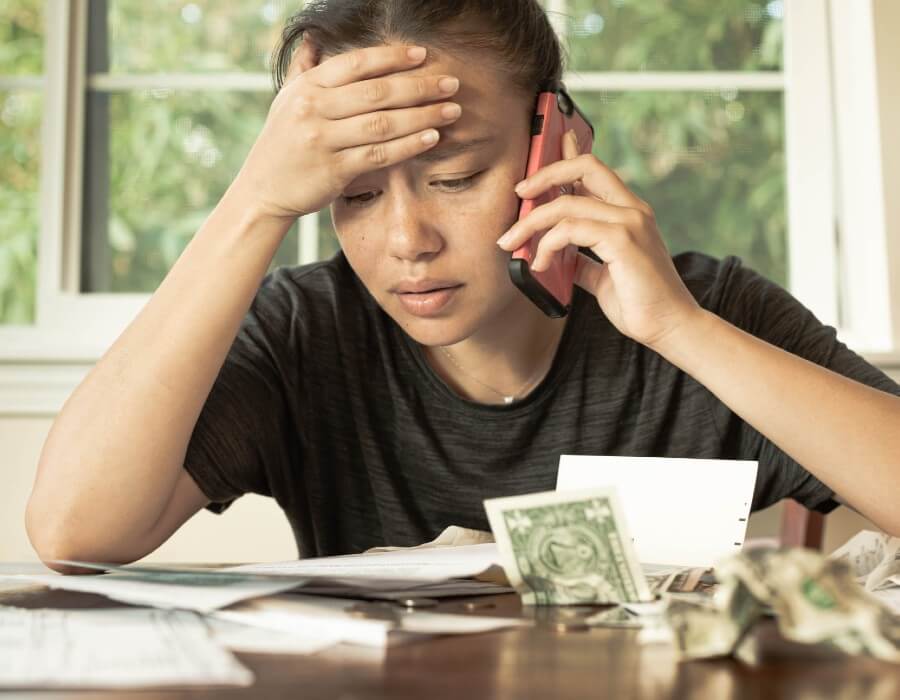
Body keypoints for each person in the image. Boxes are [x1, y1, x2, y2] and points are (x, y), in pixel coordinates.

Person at [26, 0, 900, 574]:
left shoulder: (702, 310)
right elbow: (75, 532)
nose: (407, 240)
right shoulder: (307, 332)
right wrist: (254, 201)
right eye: (355, 195)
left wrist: (679, 330)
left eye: (454, 177)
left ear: (554, 144)